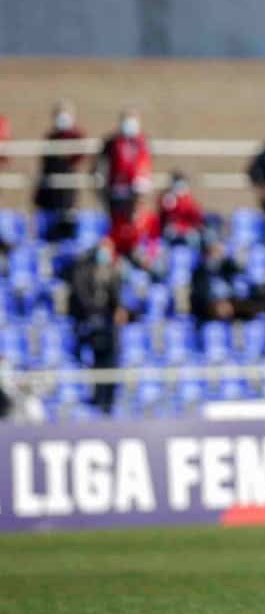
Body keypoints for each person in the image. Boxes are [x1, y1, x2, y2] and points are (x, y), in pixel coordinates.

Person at [67, 238, 129, 414]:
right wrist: (96, 312)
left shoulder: (112, 272)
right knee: (97, 363)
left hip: (109, 329)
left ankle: (108, 402)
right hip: (92, 326)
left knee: (111, 364)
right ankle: (98, 399)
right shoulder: (84, 271)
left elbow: (116, 299)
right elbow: (82, 297)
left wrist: (118, 309)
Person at [93, 109, 152, 258]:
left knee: (134, 227)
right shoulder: (112, 142)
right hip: (115, 193)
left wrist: (143, 188)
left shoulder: (142, 142)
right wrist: (100, 186)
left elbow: (146, 166)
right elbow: (98, 165)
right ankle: (115, 257)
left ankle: (133, 254)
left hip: (135, 193)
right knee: (115, 228)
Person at [33, 101, 85, 241]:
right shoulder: (50, 137)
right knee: (49, 230)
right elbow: (46, 164)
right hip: (50, 193)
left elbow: (79, 157)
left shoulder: (77, 136)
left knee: (68, 225)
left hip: (67, 192)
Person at [191, 241, 261, 323]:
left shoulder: (228, 268)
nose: (228, 311)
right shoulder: (200, 273)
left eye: (220, 252)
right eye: (214, 252)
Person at [157, 171, 204, 247]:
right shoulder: (168, 198)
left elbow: (196, 216)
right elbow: (164, 217)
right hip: (173, 229)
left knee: (194, 237)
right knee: (169, 234)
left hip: (188, 230)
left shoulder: (189, 200)